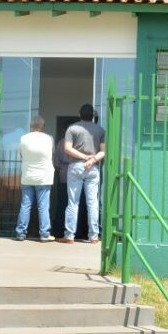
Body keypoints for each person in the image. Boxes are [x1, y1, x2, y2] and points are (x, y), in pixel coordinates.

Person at [59, 103, 105, 244]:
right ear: (93, 116)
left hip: (76, 166)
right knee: (92, 203)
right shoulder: (100, 130)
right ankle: (94, 236)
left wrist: (84, 158)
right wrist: (92, 159)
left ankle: (69, 236)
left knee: (73, 202)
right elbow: (103, 151)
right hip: (93, 168)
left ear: (79, 114)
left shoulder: (72, 128)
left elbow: (67, 149)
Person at [15, 115, 54, 242]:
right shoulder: (49, 139)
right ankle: (44, 234)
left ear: (31, 126)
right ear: (43, 126)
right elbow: (51, 153)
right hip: (44, 177)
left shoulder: (24, 138)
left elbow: (21, 155)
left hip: (28, 176)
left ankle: (20, 233)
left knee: (25, 205)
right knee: (43, 206)